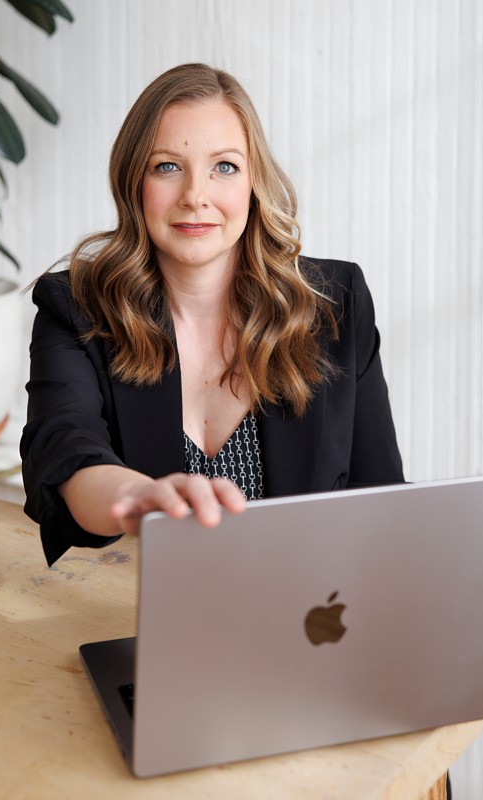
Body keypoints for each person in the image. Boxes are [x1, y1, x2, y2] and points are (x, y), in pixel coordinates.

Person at [20, 62, 404, 567]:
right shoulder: (77, 306)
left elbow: (383, 502)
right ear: (134, 181)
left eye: (224, 166)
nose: (195, 196)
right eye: (167, 166)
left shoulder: (333, 303)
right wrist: (136, 499)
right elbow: (63, 449)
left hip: (313, 617)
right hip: (155, 612)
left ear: (253, 183)